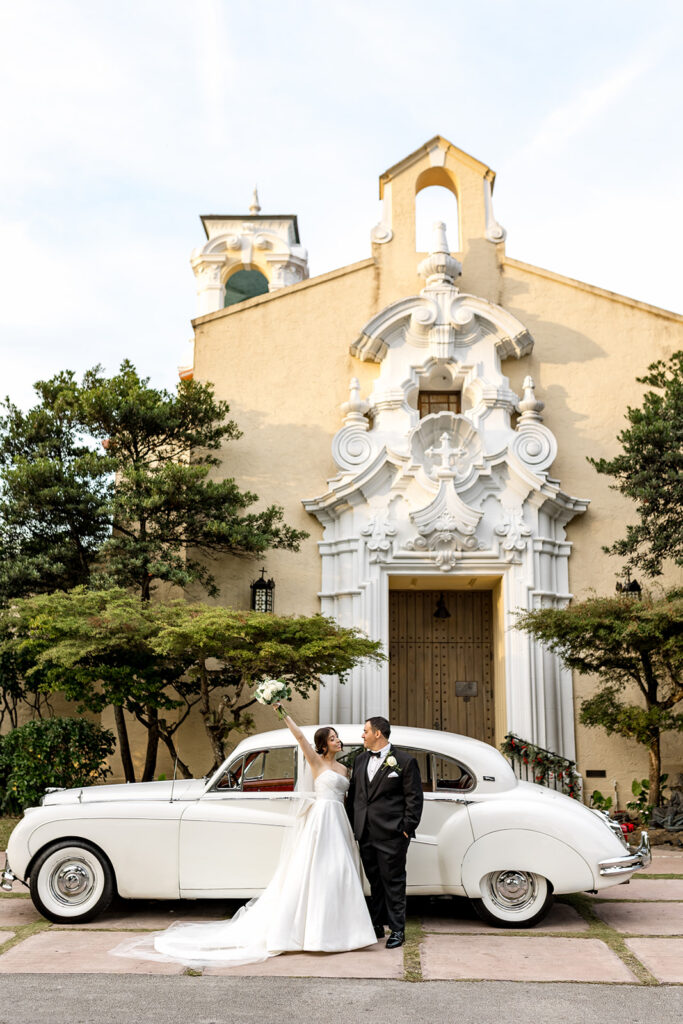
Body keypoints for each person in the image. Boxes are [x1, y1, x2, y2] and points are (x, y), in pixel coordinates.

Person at [114, 708, 376, 967]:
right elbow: (299, 738)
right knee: (316, 871)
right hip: (321, 821)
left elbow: (347, 798)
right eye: (332, 738)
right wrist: (282, 710)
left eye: (337, 737)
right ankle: (311, 933)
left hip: (338, 820)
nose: (338, 741)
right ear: (322, 745)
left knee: (339, 871)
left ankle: (344, 932)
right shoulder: (316, 762)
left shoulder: (344, 769)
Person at [346, 716, 423, 949]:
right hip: (366, 833)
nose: (362, 735)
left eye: (365, 731)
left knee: (394, 882)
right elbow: (355, 797)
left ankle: (398, 930)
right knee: (375, 882)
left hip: (393, 834)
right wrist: (353, 826)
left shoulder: (404, 761)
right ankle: (377, 925)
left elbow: (414, 799)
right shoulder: (359, 760)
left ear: (378, 733)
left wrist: (406, 830)